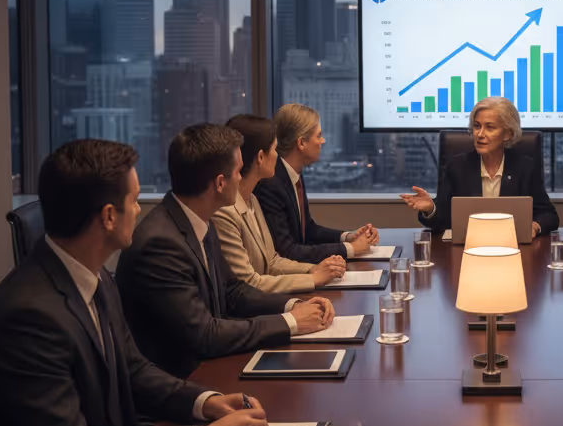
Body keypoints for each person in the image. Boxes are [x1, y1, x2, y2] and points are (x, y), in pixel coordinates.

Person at [0, 140, 271, 426]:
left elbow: (132, 368)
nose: (140, 210)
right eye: (133, 200)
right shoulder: (28, 314)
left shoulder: (92, 275)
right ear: (109, 216)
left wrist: (205, 402)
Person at [116, 124, 336, 379]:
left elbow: (233, 291)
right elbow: (205, 335)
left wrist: (294, 305)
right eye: (238, 171)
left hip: (213, 365)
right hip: (183, 382)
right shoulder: (160, 244)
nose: (242, 178)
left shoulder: (197, 219)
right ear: (220, 183)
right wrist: (292, 322)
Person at [212, 115, 347, 294]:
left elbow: (273, 261)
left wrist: (313, 269)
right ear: (261, 157)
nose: (278, 155)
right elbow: (248, 284)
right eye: (275, 149)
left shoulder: (251, 199)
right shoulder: (225, 211)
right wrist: (313, 278)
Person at [399, 96, 559, 236]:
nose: (480, 134)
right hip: (467, 247)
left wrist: (535, 226)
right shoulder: (457, 166)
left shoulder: (525, 167)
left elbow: (549, 215)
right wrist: (430, 208)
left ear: (507, 134)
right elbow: (444, 219)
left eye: (490, 127)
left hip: (514, 247)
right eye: (477, 126)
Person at [254, 103, 379, 264]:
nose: (323, 140)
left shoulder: (293, 174)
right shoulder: (271, 184)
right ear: (301, 143)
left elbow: (308, 231)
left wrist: (349, 237)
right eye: (318, 135)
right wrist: (351, 249)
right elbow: (287, 251)